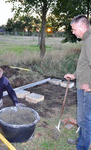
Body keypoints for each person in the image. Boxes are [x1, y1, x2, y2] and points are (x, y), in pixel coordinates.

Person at [64, 15, 91, 150]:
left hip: (87, 89)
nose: (73, 32)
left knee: (86, 121)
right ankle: (80, 140)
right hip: (82, 86)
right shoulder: (86, 40)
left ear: (82, 27)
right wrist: (74, 75)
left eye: (74, 29)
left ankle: (82, 147)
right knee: (81, 118)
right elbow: (85, 64)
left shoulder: (90, 41)